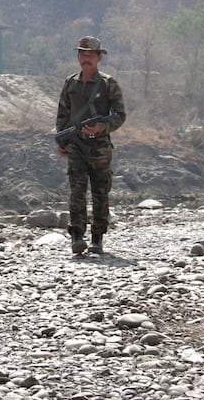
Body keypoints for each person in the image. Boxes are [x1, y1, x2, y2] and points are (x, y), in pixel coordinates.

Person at [55, 36, 126, 255]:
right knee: (77, 190)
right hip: (76, 145)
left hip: (100, 147)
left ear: (98, 58)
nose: (86, 59)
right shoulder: (70, 83)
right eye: (82, 55)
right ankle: (77, 236)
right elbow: (62, 114)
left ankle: (97, 239)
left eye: (90, 55)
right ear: (78, 57)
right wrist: (61, 139)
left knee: (100, 191)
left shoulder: (108, 84)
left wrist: (101, 128)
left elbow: (120, 115)